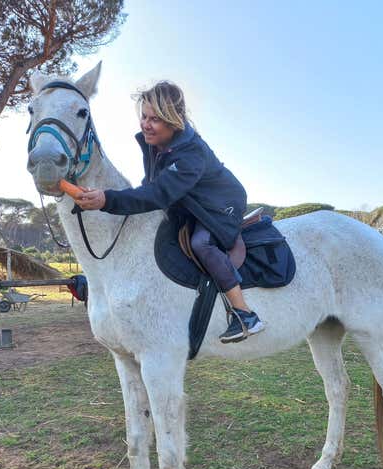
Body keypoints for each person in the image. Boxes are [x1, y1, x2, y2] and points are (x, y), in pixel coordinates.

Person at [74, 81, 264, 343]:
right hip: (190, 203)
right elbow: (150, 186)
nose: (146, 124)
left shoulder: (191, 153)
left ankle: (245, 314)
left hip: (220, 205)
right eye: (144, 116)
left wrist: (107, 199)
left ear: (173, 120)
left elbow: (158, 193)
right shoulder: (157, 144)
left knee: (201, 243)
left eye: (155, 119)